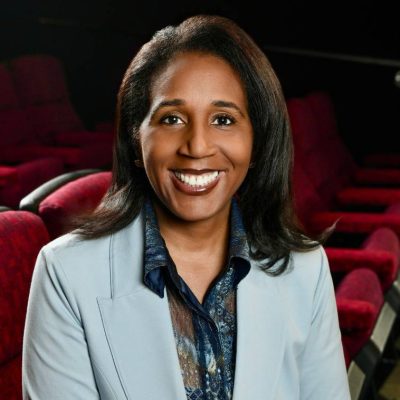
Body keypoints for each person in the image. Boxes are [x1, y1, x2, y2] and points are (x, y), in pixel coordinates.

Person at [22, 14, 350, 400]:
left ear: (257, 141)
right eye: (172, 118)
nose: (197, 146)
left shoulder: (306, 268)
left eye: (223, 119)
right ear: (136, 138)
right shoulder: (66, 273)